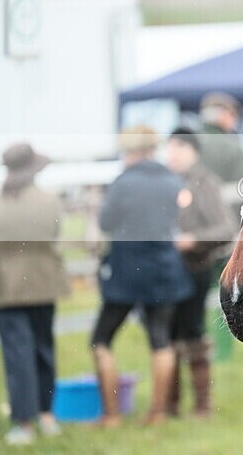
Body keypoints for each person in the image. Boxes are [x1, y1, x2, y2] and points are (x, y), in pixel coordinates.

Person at [92, 126, 193, 426]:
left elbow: (106, 221)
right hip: (163, 267)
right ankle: (158, 412)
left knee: (101, 339)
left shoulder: (122, 183)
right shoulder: (172, 180)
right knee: (160, 338)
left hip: (126, 269)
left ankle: (111, 415)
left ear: (129, 150)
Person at [0, 143, 69, 445]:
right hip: (44, 284)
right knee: (44, 348)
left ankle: (23, 423)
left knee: (17, 355)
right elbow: (57, 237)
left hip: (6, 288)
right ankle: (47, 415)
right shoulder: (50, 201)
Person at [165, 128, 234, 417]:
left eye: (180, 147)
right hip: (165, 272)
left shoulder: (204, 183)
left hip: (194, 268)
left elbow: (224, 229)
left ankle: (202, 405)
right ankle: (169, 405)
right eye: (170, 147)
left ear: (193, 151)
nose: (173, 153)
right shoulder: (164, 181)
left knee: (192, 334)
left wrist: (192, 240)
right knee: (166, 337)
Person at [198, 92, 243, 183]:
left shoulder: (189, 142)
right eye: (232, 114)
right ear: (223, 115)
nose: (234, 120)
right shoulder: (232, 147)